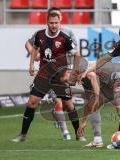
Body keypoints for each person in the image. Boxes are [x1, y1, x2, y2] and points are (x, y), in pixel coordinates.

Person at [12, 11, 85, 142]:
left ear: (60, 22)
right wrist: (31, 65)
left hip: (60, 77)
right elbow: (34, 48)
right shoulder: (40, 35)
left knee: (69, 105)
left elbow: (77, 54)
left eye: (56, 23)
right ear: (47, 22)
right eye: (51, 23)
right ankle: (22, 135)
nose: (54, 25)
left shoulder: (64, 38)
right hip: (43, 76)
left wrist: (74, 73)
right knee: (31, 102)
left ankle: (78, 134)